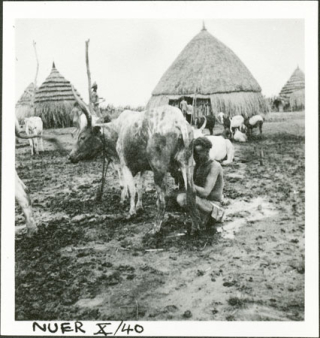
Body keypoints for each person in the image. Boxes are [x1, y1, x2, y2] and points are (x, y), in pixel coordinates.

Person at [176, 137, 225, 230]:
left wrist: (188, 181)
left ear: (207, 151)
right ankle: (198, 216)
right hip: (201, 201)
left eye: (199, 152)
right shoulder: (198, 165)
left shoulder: (215, 166)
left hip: (212, 204)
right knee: (170, 196)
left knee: (183, 198)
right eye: (195, 152)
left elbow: (205, 192)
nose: (196, 155)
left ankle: (202, 220)